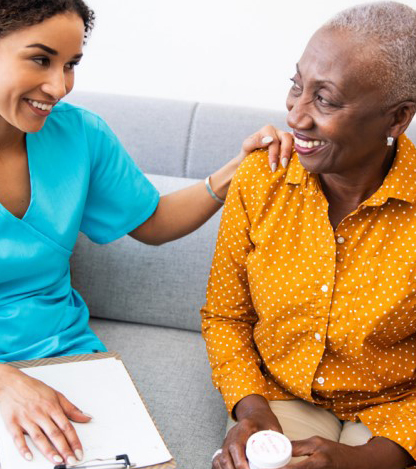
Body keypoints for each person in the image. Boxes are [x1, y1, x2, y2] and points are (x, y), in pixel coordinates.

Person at [0, 0, 294, 466]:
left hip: (63, 355)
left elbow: (153, 222)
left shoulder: (79, 135)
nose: (59, 86)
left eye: (70, 64)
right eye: (40, 59)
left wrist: (236, 171)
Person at [201, 2, 416, 469]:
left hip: (394, 413)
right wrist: (252, 411)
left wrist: (369, 458)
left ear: (397, 119)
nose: (297, 117)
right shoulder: (262, 178)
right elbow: (225, 317)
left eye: (326, 99)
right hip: (280, 396)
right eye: (297, 86)